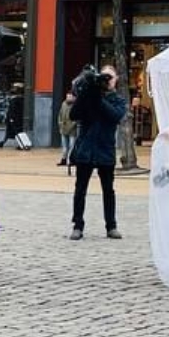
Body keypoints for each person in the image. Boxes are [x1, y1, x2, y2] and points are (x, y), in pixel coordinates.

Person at [69, 65, 127, 240]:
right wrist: (87, 93)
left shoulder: (118, 100)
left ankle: (111, 226)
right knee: (80, 189)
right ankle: (77, 225)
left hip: (105, 149)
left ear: (116, 79)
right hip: (86, 149)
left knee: (108, 190)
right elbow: (74, 114)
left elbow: (115, 115)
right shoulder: (89, 95)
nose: (107, 80)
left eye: (110, 77)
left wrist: (99, 98)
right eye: (104, 77)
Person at [0, 84, 26, 148]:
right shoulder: (21, 99)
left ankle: (22, 144)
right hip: (17, 118)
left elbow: (12, 110)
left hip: (14, 119)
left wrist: (11, 118)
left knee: (16, 132)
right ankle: (2, 143)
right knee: (13, 132)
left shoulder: (15, 100)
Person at [57, 88, 76, 171]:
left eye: (70, 97)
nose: (68, 98)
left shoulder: (76, 105)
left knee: (72, 146)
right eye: (67, 96)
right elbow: (60, 115)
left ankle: (70, 160)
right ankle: (64, 159)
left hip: (72, 130)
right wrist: (60, 123)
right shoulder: (63, 104)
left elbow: (76, 119)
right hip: (63, 128)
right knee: (65, 146)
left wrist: (71, 126)